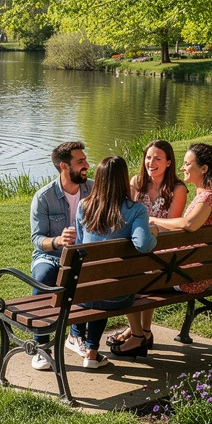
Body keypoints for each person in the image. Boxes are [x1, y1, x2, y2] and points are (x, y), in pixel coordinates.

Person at [72, 156, 158, 366]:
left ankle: (84, 343)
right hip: (119, 296)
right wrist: (153, 232)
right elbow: (144, 244)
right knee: (108, 286)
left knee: (98, 283)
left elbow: (79, 244)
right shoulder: (136, 210)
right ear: (124, 179)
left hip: (82, 294)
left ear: (98, 180)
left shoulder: (84, 206)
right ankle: (91, 351)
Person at [106, 140, 188, 353]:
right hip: (141, 246)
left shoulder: (177, 189)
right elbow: (126, 217)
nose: (151, 162)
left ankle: (138, 334)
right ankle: (143, 332)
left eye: (158, 158)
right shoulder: (136, 182)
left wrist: (145, 220)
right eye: (148, 157)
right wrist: (145, 225)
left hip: (164, 252)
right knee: (137, 265)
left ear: (169, 162)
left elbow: (173, 226)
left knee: (137, 273)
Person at [28, 141, 93, 370]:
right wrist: (57, 241)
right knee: (44, 275)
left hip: (82, 255)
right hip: (51, 256)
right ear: (64, 167)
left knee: (92, 275)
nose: (87, 165)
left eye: (85, 160)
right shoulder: (44, 197)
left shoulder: (94, 190)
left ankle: (76, 336)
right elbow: (37, 239)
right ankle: (41, 347)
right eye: (81, 161)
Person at [149, 142, 212, 295]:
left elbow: (189, 224)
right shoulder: (206, 196)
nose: (182, 168)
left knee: (133, 279)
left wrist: (153, 220)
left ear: (204, 169)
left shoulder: (208, 198)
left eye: (187, 164)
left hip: (191, 277)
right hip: (190, 269)